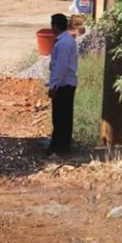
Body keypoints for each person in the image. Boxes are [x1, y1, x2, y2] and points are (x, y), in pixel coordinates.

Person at [47, 13, 79, 155]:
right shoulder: (65, 40)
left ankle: (60, 146)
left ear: (54, 26)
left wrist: (53, 86)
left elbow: (61, 66)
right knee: (63, 116)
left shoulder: (64, 42)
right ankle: (61, 145)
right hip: (65, 83)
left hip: (63, 85)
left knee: (60, 117)